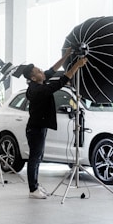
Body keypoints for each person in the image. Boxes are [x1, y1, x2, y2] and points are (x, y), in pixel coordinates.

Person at [22, 48, 87, 199]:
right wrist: (76, 65)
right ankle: (33, 190)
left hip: (39, 127)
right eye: (38, 71)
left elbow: (52, 70)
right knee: (34, 158)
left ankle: (36, 186)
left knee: (37, 157)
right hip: (36, 129)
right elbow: (60, 82)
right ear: (33, 78)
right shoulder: (38, 90)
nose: (42, 72)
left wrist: (66, 55)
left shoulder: (39, 82)